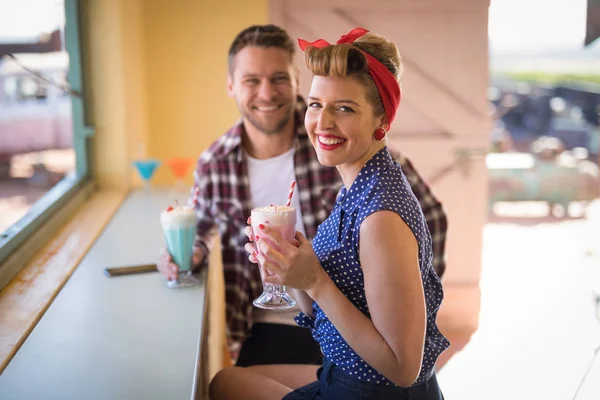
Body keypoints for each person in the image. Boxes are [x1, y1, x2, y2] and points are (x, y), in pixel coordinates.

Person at [157, 24, 448, 370]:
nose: (266, 94)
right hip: (266, 323)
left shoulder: (339, 142)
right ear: (231, 85)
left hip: (351, 324)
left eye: (278, 78)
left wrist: (405, 309)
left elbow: (429, 217)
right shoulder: (216, 162)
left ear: (296, 79)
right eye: (252, 80)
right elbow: (202, 231)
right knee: (226, 385)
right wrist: (186, 253)